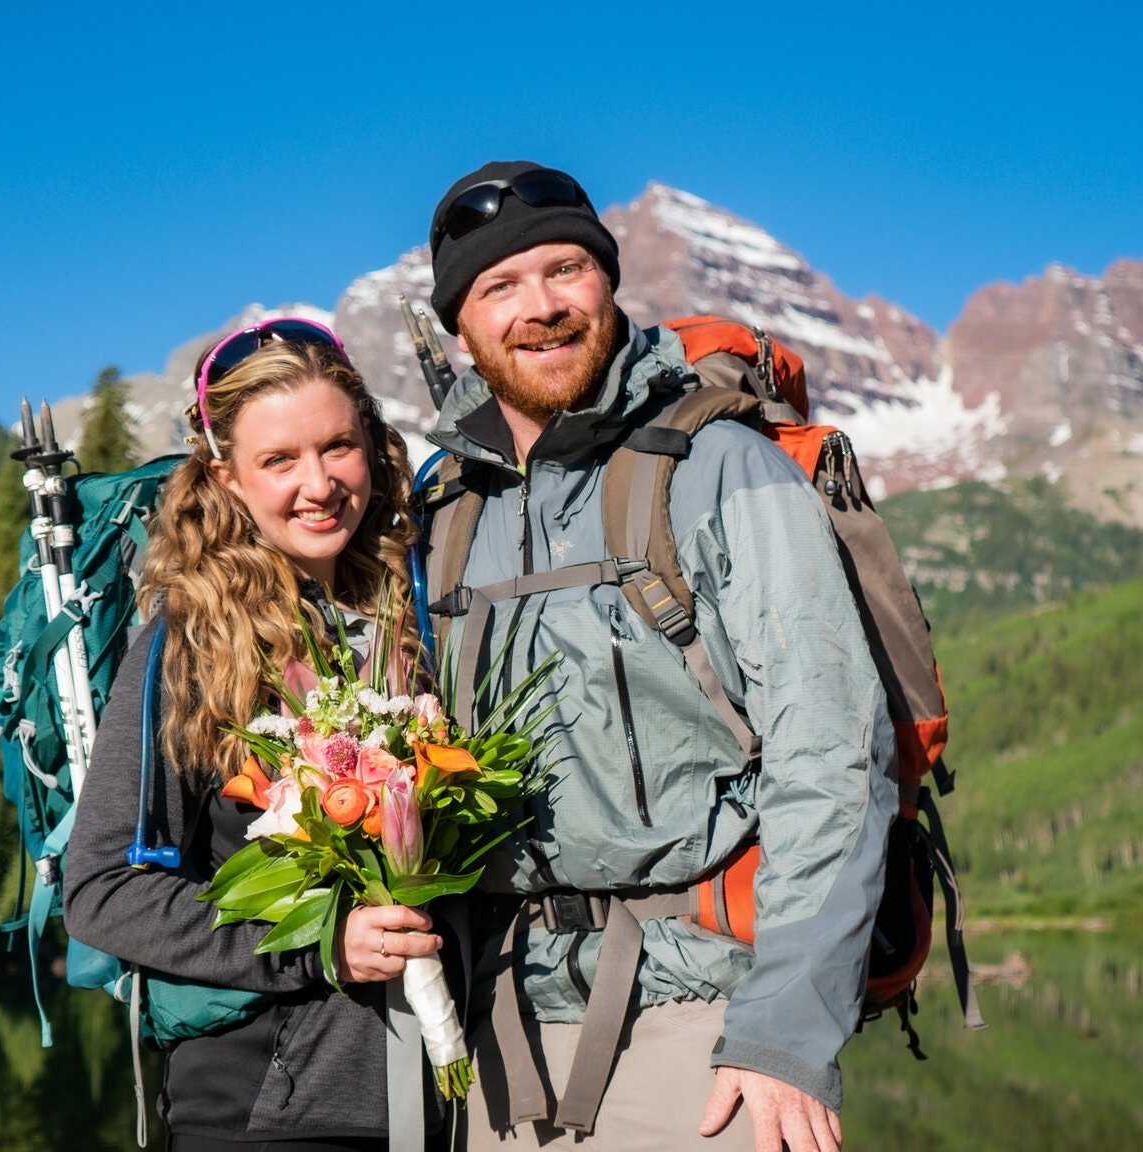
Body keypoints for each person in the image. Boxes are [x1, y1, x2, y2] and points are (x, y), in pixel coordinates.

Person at [418, 162, 896, 1152]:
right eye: (499, 286)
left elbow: (833, 754)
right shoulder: (443, 512)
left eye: (565, 270)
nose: (541, 307)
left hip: (704, 1022)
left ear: (608, 281)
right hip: (491, 1039)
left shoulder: (719, 465)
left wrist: (782, 1032)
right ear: (459, 328)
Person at [64, 321, 443, 1152]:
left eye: (338, 446)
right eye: (279, 460)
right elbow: (100, 890)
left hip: (436, 1100)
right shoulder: (189, 645)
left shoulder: (411, 614)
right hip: (265, 1110)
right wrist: (321, 941)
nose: (319, 484)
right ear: (226, 478)